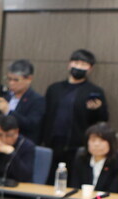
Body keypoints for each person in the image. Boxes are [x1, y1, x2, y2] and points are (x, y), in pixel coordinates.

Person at [42, 48, 108, 179]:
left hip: (78, 146)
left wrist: (96, 109)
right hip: (52, 143)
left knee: (74, 179)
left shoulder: (94, 91)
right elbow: (44, 115)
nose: (78, 67)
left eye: (83, 64)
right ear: (69, 64)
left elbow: (103, 120)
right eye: (76, 63)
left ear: (90, 69)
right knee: (48, 178)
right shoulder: (54, 88)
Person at [0, 59, 46, 144]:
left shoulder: (37, 100)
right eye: (9, 79)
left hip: (22, 145)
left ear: (29, 79)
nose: (11, 83)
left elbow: (31, 125)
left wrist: (8, 112)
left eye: (16, 80)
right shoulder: (6, 96)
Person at [72, 122, 118, 195]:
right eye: (93, 140)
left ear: (111, 143)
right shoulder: (81, 159)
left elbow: (114, 191)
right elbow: (75, 187)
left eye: (102, 140)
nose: (96, 144)